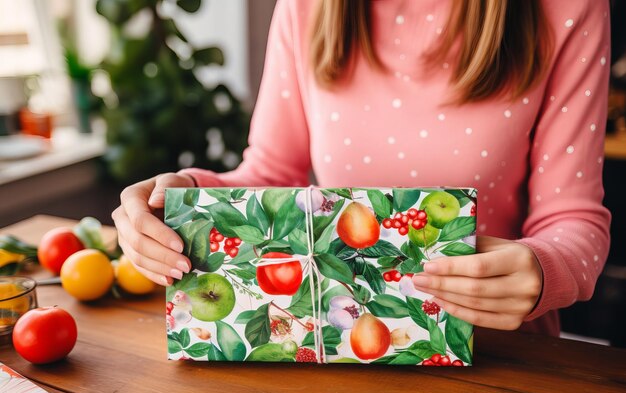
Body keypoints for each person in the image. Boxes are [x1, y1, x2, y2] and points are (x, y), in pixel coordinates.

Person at [112, 0, 611, 336]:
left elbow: (574, 219)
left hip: (505, 361)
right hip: (338, 342)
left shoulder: (569, 8)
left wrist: (548, 270)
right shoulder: (306, 7)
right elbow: (270, 174)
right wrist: (184, 195)